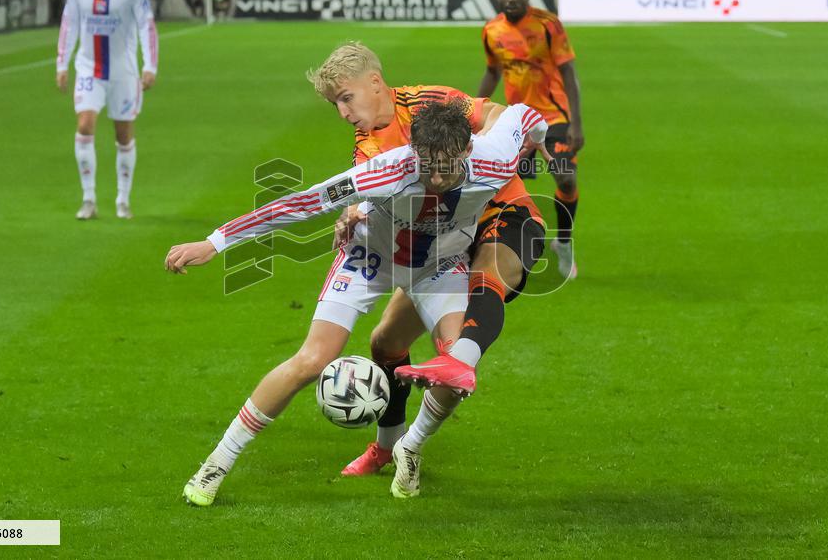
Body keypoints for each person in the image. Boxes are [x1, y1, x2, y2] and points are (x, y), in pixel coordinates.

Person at [169, 100, 548, 504]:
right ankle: (217, 463)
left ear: (468, 150)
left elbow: (527, 114)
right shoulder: (385, 171)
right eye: (426, 164)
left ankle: (411, 447)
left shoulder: (495, 157)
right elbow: (300, 204)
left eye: (446, 166)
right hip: (369, 260)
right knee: (312, 360)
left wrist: (539, 141)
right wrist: (215, 241)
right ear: (411, 150)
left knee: (456, 367)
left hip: (439, 266)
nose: (435, 177)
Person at [309, 43, 548, 477]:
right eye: (336, 104)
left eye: (346, 98)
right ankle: (387, 448)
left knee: (471, 310)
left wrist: (517, 140)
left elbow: (493, 112)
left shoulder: (429, 101)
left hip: (498, 212)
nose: (344, 112)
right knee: (385, 343)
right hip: (443, 243)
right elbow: (376, 196)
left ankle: (412, 448)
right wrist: (354, 211)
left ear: (374, 83)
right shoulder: (368, 145)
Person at [479, 0, 584, 279]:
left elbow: (569, 74)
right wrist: (471, 111)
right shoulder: (491, 30)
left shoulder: (548, 25)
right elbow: (492, 73)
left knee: (565, 179)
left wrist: (576, 122)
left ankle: (563, 242)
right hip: (517, 120)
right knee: (511, 187)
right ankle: (507, 249)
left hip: (554, 117)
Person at [56, 0, 158, 220]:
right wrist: (62, 64)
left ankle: (122, 199)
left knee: (123, 134)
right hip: (89, 68)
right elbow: (69, 24)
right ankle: (88, 199)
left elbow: (146, 27)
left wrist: (149, 66)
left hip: (124, 72)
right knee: (85, 125)